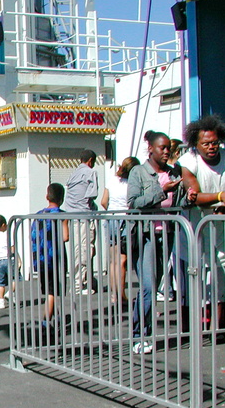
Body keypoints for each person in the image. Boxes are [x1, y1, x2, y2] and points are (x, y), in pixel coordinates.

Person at [178, 115, 225, 326]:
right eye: (205, 143)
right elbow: (195, 196)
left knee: (222, 279)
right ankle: (192, 327)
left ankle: (218, 328)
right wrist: (223, 197)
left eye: (214, 142)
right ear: (195, 145)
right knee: (196, 277)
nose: (211, 147)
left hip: (224, 230)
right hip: (196, 229)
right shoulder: (189, 161)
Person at [126, 130, 184, 355]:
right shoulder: (139, 172)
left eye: (169, 147)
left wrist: (185, 198)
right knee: (149, 287)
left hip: (166, 235)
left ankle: (141, 327)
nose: (167, 151)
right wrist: (162, 191)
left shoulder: (173, 172)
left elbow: (176, 204)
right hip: (146, 236)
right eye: (163, 148)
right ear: (151, 149)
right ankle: (141, 335)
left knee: (152, 287)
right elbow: (134, 202)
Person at [101, 156, 139, 305]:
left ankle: (113, 294)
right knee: (122, 260)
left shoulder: (112, 180)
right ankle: (121, 294)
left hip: (111, 219)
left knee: (113, 261)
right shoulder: (131, 184)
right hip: (125, 220)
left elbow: (104, 201)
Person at [30, 184, 69, 324]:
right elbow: (65, 237)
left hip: (41, 257)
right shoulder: (62, 215)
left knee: (48, 289)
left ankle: (53, 314)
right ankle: (46, 319)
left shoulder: (39, 215)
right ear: (62, 198)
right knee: (53, 291)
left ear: (47, 196)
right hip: (56, 257)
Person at [65, 149, 98, 295]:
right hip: (84, 216)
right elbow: (93, 194)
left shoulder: (73, 174)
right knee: (84, 250)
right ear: (91, 160)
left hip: (72, 217)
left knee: (77, 250)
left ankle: (83, 281)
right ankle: (79, 286)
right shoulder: (90, 172)